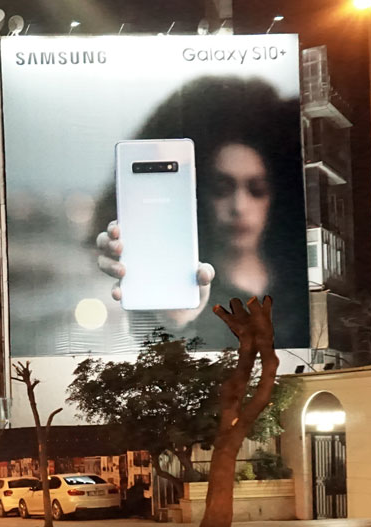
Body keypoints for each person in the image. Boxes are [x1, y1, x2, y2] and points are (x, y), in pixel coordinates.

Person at [93, 77, 304, 350]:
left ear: (275, 196)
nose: (239, 206)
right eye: (221, 188)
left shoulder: (302, 286)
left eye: (257, 189)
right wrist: (171, 322)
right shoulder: (187, 297)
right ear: (200, 195)